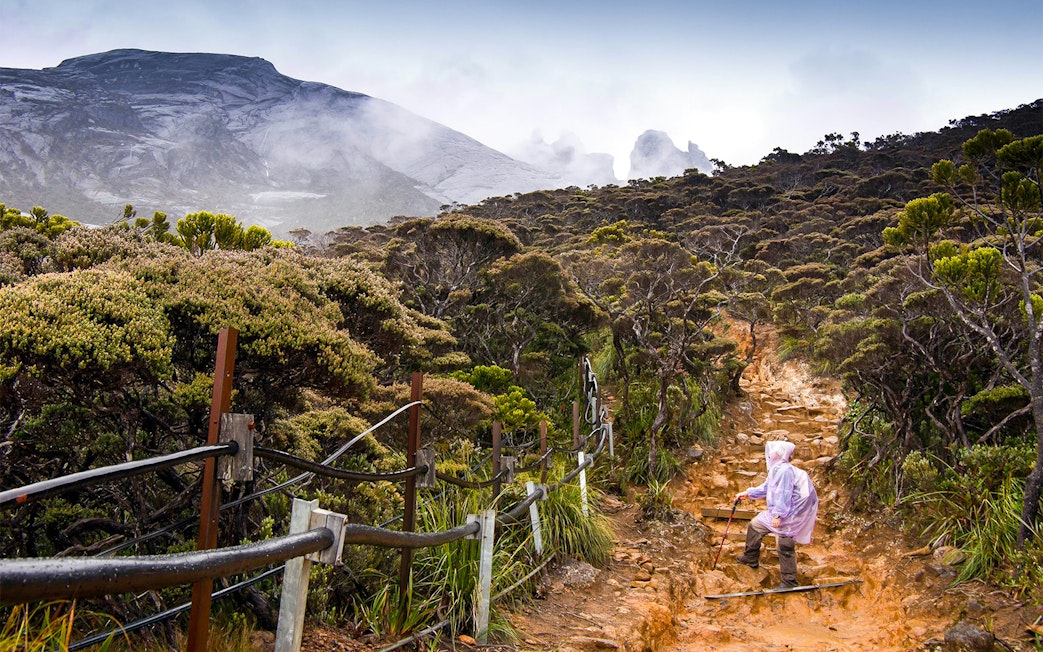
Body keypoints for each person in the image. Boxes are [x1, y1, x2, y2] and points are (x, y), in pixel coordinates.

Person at [734, 440, 818, 589]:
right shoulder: (776, 469)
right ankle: (750, 557)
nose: (772, 454)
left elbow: (784, 493)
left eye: (775, 452)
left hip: (793, 512)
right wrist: (747, 493)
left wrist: (778, 515)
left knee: (784, 543)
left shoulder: (784, 471)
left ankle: (789, 581)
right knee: (755, 525)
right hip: (787, 511)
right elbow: (767, 487)